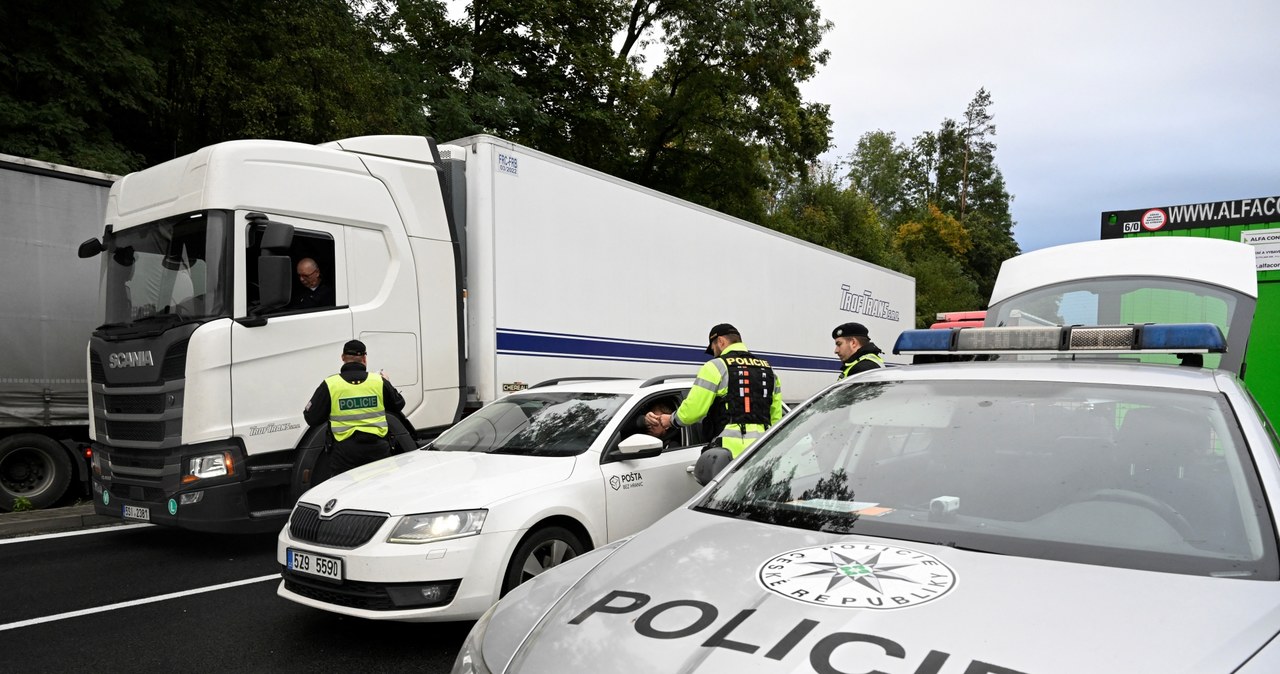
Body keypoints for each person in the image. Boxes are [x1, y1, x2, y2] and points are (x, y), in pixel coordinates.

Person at [648, 323, 783, 460]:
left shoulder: (716, 366)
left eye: (712, 347)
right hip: (762, 454)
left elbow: (694, 410)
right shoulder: (769, 371)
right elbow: (776, 419)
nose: (713, 352)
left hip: (729, 456)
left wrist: (671, 420)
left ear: (720, 341)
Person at [303, 339, 407, 478]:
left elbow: (311, 417)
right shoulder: (378, 381)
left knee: (346, 494)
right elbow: (398, 405)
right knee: (380, 491)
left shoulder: (331, 384)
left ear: (342, 358)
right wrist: (387, 383)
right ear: (364, 358)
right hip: (378, 451)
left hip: (344, 455)